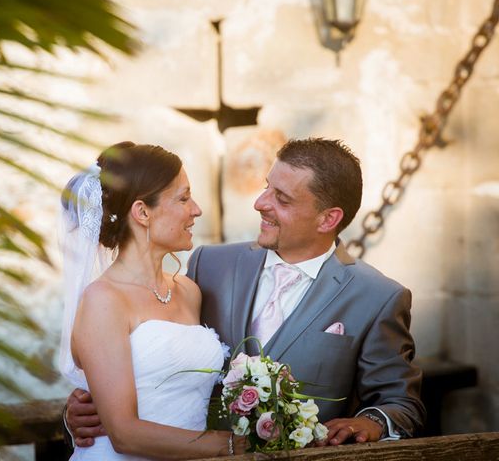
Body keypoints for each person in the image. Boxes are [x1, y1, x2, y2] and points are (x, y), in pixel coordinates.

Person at [65, 138, 426, 449]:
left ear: (327, 219)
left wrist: (373, 423)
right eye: (267, 186)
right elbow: (150, 365)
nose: (260, 203)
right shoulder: (211, 265)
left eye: (281, 198)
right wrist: (84, 405)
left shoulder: (378, 297)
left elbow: (400, 401)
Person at [59, 141, 246, 460]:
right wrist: (233, 446)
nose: (197, 209)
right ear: (143, 212)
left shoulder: (189, 292)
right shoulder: (103, 300)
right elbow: (124, 434)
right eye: (184, 198)